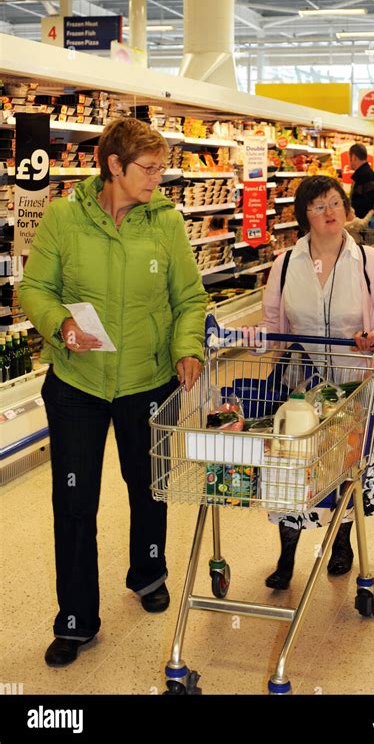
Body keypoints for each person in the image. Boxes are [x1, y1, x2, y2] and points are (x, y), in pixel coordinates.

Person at [19, 118, 207, 667]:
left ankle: (148, 573)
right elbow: (36, 287)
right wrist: (60, 326)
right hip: (77, 383)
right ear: (114, 166)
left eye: (162, 167)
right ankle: (76, 619)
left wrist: (186, 347)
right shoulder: (62, 217)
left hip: (147, 379)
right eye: (147, 169)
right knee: (74, 500)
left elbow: (189, 297)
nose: (158, 178)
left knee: (148, 486)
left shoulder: (165, 223)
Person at [261, 175, 374, 589]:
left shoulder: (369, 261)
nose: (329, 212)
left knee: (344, 463)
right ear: (304, 215)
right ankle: (287, 554)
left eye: (335, 203)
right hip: (299, 385)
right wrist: (252, 340)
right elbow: (273, 324)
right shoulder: (285, 263)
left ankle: (342, 542)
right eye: (318, 206)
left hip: (352, 385)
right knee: (289, 466)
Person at [349, 143, 374, 218]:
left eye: (349, 158)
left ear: (354, 157)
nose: (349, 162)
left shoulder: (366, 176)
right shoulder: (364, 174)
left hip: (365, 224)